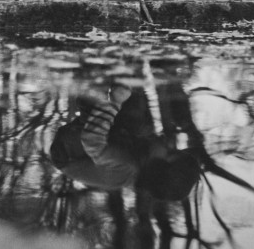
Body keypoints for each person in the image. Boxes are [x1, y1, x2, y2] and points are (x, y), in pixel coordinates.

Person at [49, 83, 201, 203]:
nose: (169, 144)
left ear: (158, 168)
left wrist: (114, 102)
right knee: (136, 124)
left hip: (67, 152)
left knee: (126, 117)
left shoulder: (126, 167)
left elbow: (91, 140)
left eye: (170, 152)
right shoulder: (139, 161)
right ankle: (123, 84)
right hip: (89, 148)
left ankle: (91, 92)